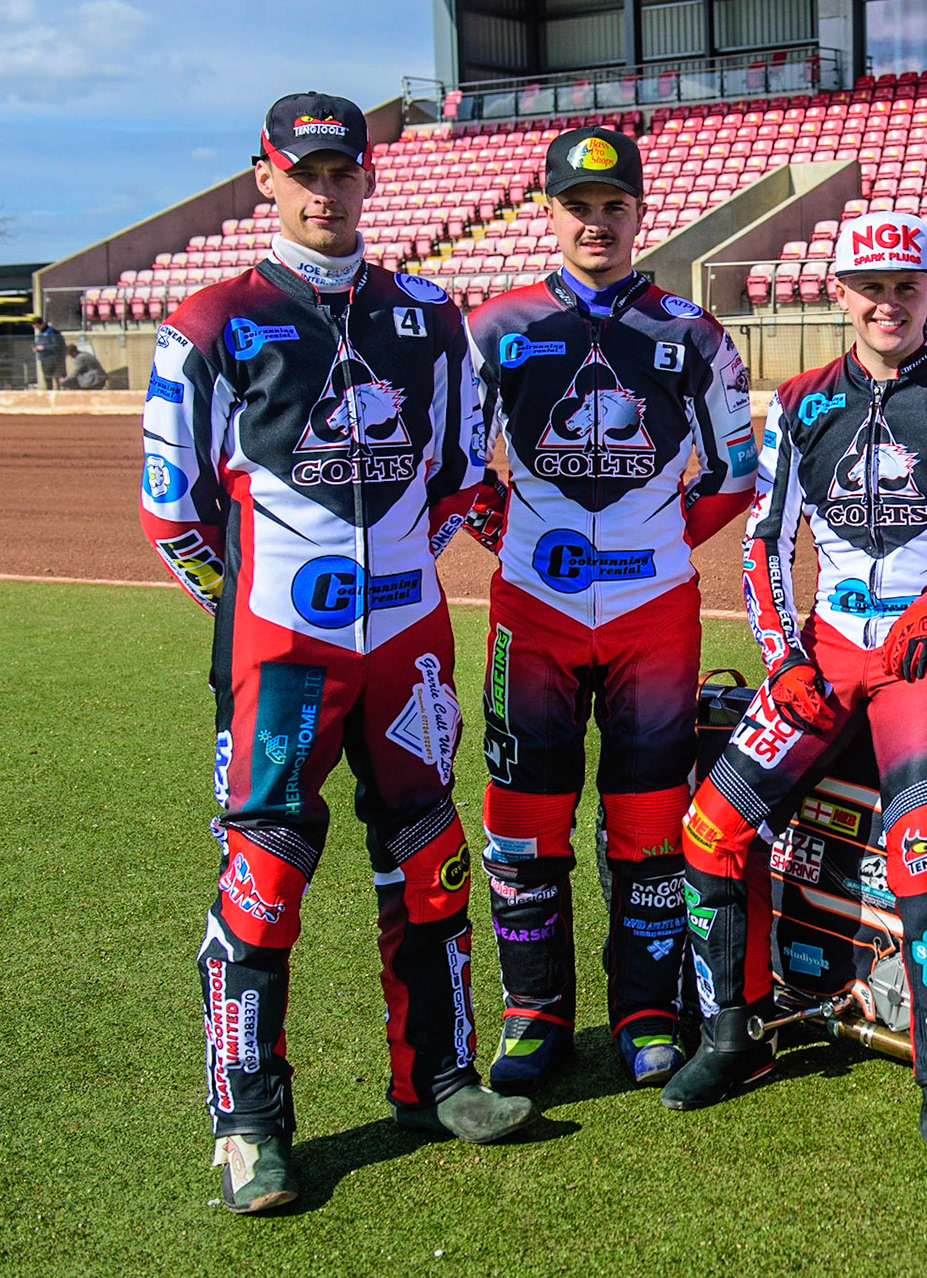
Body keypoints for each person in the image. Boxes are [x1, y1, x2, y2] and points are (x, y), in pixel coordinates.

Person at [138, 91, 534, 1215]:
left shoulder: (428, 313)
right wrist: (254, 618)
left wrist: (403, 567)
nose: (325, 190)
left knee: (431, 856)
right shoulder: (210, 321)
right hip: (283, 651)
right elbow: (173, 514)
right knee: (262, 879)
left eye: (342, 171)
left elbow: (463, 475)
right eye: (302, 171)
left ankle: (441, 1078)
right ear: (265, 176)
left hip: (408, 644)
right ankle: (249, 1127)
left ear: (368, 177)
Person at [665, 211, 927, 1150]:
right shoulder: (798, 401)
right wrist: (784, 655)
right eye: (869, 285)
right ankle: (734, 1033)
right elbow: (761, 544)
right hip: (827, 649)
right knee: (710, 829)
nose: (887, 302)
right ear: (838, 293)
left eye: (905, 286)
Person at [462, 126, 757, 1092]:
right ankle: (533, 1016)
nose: (597, 222)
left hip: (655, 614)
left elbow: (735, 470)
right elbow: (457, 468)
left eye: (613, 206)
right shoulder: (495, 328)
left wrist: (659, 544)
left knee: (650, 818)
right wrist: (511, 537)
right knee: (524, 815)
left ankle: (644, 1010)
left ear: (640, 214)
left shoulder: (691, 334)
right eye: (578, 207)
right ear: (549, 213)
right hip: (532, 611)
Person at [31, 316, 64, 388]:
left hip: (51, 358)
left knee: (52, 377)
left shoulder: (50, 332)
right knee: (46, 377)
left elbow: (56, 345)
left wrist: (44, 348)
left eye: (37, 326)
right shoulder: (41, 333)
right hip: (44, 358)